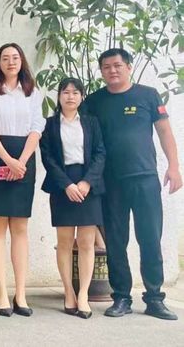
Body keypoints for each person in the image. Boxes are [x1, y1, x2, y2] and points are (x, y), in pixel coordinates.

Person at [84, 48, 182, 320]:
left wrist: (174, 166)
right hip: (110, 182)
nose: (112, 70)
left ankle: (154, 298)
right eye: (106, 67)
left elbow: (164, 131)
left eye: (117, 65)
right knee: (116, 241)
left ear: (128, 67)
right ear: (101, 71)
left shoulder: (148, 95)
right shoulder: (93, 101)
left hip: (144, 177)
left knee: (150, 237)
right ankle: (121, 297)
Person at [0, 42, 44, 317]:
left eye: (15, 57)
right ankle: (2, 293)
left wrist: (22, 160)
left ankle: (21, 293)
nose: (10, 62)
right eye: (5, 58)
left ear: (22, 61)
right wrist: (8, 160)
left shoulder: (33, 92)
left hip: (25, 157)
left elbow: (37, 127)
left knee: (20, 227)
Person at [39, 77, 105, 319]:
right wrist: (66, 184)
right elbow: (47, 158)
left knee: (87, 242)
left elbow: (100, 153)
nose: (70, 96)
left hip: (88, 185)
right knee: (65, 242)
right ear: (59, 96)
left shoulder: (91, 122)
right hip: (62, 185)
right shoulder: (49, 125)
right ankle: (69, 291)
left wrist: (87, 182)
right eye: (65, 92)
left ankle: (84, 294)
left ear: (82, 96)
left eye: (75, 92)